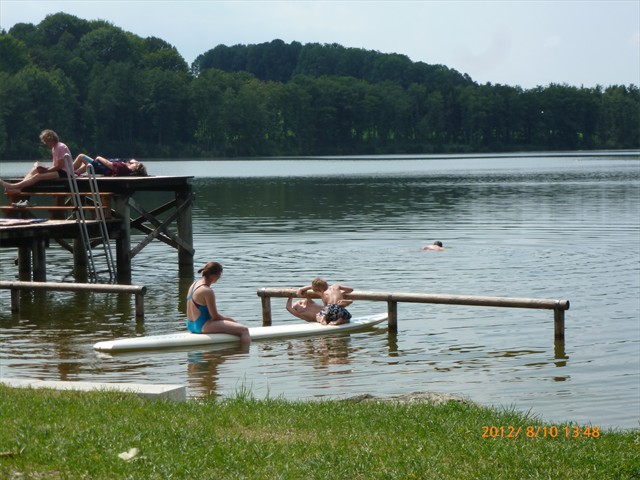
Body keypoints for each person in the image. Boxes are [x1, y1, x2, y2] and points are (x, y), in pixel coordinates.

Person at [186, 261, 250, 344]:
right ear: (215, 276)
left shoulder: (194, 284)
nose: (220, 278)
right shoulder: (207, 291)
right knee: (244, 330)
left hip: (190, 325)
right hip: (202, 326)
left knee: (232, 326)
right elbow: (215, 316)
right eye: (220, 275)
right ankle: (244, 353)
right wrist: (230, 320)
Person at [1, 129, 73, 193]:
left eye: (46, 141)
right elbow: (57, 166)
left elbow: (60, 166)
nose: (45, 143)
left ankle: (12, 186)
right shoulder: (54, 148)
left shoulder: (61, 147)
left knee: (38, 176)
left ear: (50, 139)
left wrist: (46, 171)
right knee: (34, 170)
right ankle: (19, 188)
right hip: (60, 171)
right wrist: (43, 169)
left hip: (65, 173)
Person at [73, 155, 148, 177]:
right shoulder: (126, 168)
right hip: (98, 168)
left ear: (136, 168)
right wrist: (131, 162)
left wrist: (99, 157)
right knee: (86, 165)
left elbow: (109, 164)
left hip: (99, 167)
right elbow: (132, 160)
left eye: (136, 163)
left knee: (81, 156)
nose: (134, 162)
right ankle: (75, 173)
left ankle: (68, 171)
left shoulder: (123, 167)